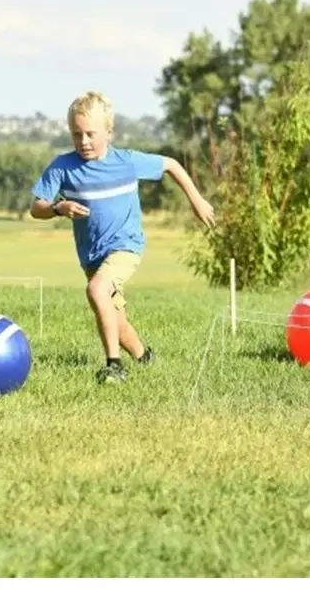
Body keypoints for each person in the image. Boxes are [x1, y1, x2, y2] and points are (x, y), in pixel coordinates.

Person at [30, 90, 215, 384]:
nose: (84, 142)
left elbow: (171, 164)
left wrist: (197, 201)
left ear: (109, 131)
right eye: (77, 134)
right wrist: (58, 207)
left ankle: (114, 366)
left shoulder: (127, 162)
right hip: (91, 255)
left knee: (96, 291)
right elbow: (36, 208)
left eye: (91, 134)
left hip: (126, 247)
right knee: (116, 318)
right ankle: (144, 358)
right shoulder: (62, 167)